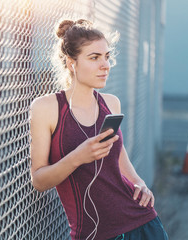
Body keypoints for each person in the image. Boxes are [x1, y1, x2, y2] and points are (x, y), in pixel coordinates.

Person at [29, 19, 168, 240]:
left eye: (107, 56)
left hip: (141, 222)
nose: (105, 65)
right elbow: (39, 180)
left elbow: (117, 154)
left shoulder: (111, 103)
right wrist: (78, 157)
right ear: (71, 62)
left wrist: (139, 182)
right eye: (94, 58)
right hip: (94, 234)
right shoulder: (46, 108)